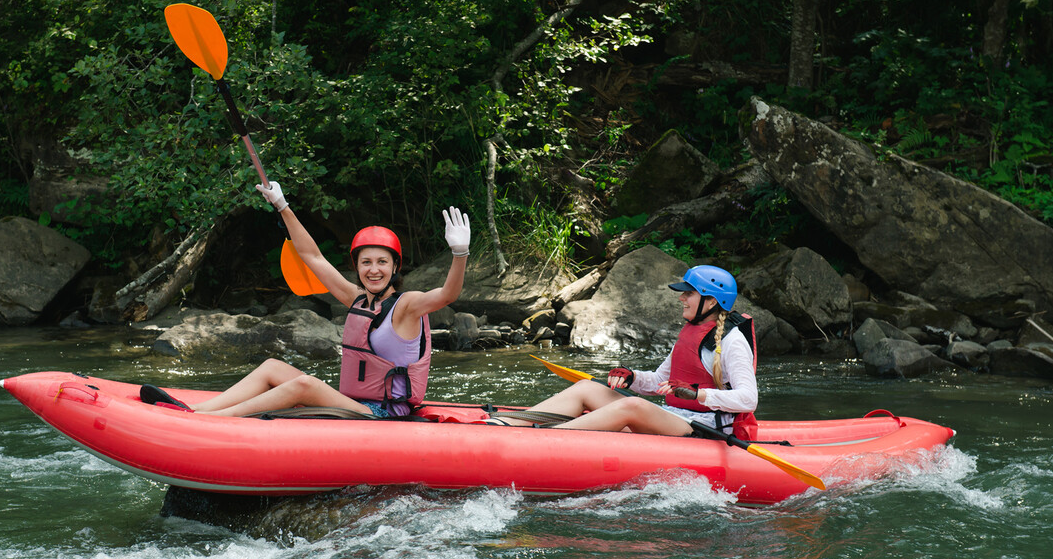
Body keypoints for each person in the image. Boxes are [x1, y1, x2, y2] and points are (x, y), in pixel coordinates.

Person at [140, 181, 470, 419]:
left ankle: (214, 420)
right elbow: (312, 255)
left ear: (395, 267)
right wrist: (282, 206)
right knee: (272, 367)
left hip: (385, 412)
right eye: (366, 262)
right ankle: (197, 409)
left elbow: (447, 295)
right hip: (354, 402)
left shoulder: (407, 305)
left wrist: (460, 253)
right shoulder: (354, 298)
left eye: (382, 262)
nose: (374, 270)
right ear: (356, 266)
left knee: (303, 384)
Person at [514, 265, 758, 438]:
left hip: (704, 427)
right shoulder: (692, 331)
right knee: (588, 387)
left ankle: (543, 440)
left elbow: (748, 399)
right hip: (674, 415)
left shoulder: (732, 341)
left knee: (634, 406)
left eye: (689, 293)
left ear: (712, 301)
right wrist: (632, 378)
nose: (681, 298)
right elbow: (660, 381)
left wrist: (699, 396)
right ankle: (508, 424)